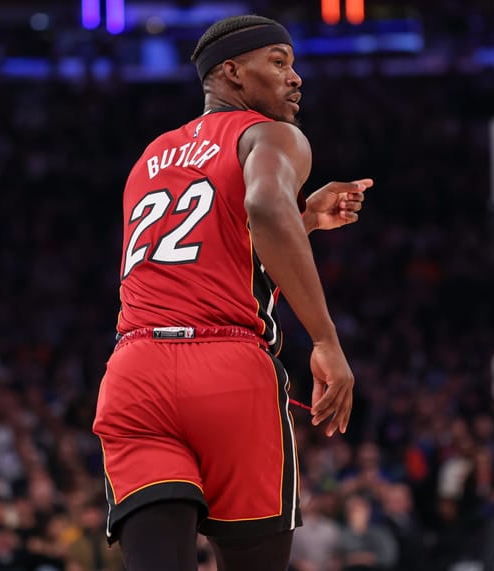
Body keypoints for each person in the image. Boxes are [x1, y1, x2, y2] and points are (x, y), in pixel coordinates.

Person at [92, 14, 373, 571]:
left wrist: (305, 219)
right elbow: (264, 208)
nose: (295, 78)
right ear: (232, 72)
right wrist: (325, 339)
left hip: (135, 373)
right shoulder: (271, 134)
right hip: (227, 371)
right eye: (279, 62)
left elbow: (210, 244)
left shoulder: (149, 158)